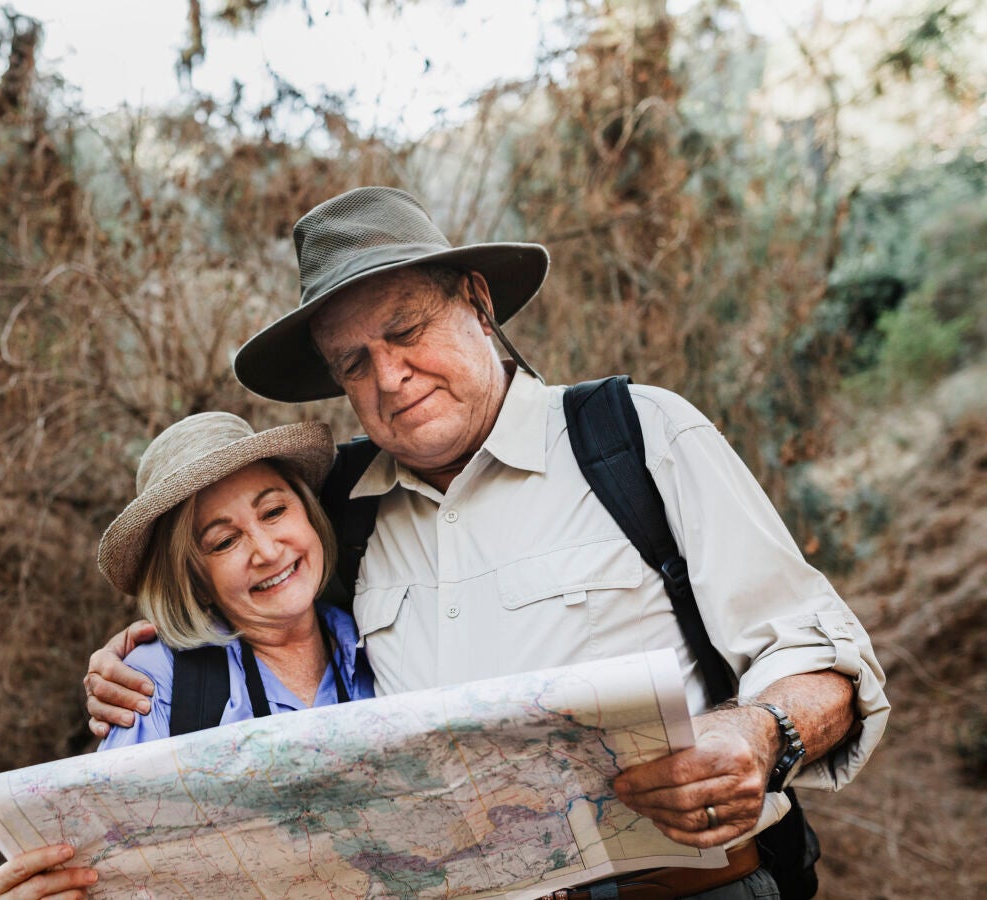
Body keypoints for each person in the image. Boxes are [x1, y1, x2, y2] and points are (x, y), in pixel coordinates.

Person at [82, 187, 890, 898]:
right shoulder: (341, 512)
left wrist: (759, 733)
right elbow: (257, 607)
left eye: (407, 329)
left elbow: (824, 658)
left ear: (477, 300)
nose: (389, 377)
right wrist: (146, 657)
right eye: (355, 363)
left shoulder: (637, 437)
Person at [0, 411, 375, 900]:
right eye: (224, 541)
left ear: (309, 513)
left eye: (274, 512)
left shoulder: (378, 640)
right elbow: (111, 873)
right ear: (194, 580)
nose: (268, 551)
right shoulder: (158, 683)